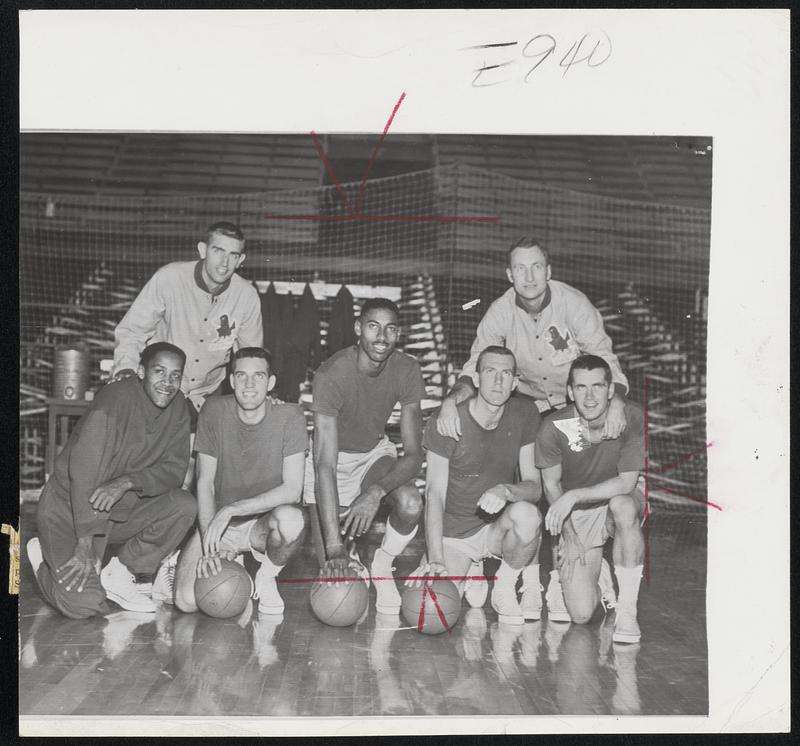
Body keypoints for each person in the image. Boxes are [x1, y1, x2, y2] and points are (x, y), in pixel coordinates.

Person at [26, 342, 196, 619]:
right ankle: (42, 561)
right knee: (85, 605)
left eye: (175, 375)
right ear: (141, 371)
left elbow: (174, 470)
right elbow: (83, 475)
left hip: (116, 511)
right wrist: (85, 545)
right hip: (70, 511)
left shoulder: (179, 407)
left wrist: (129, 481)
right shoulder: (112, 401)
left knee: (183, 505)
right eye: (159, 372)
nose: (167, 382)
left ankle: (120, 572)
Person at [436, 236, 629, 438]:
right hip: (527, 403)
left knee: (585, 447)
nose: (529, 277)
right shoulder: (499, 312)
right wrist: (450, 401)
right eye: (520, 268)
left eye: (536, 267)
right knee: (514, 454)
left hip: (574, 403)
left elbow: (604, 358)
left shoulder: (575, 304)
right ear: (510, 275)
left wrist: (616, 403)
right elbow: (476, 364)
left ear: (549, 271)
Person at [408, 346, 543, 624]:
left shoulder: (526, 413)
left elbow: (533, 486)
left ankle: (503, 585)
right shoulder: (447, 420)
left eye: (506, 374)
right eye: (490, 372)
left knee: (528, 516)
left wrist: (506, 490)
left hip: (494, 529)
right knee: (434, 611)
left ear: (515, 382)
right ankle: (472, 567)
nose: (498, 382)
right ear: (477, 379)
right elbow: (434, 494)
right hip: (454, 534)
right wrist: (436, 559)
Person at [307, 298, 425, 615]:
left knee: (411, 503)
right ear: (359, 328)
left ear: (398, 334)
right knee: (335, 577)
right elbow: (325, 465)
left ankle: (382, 564)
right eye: (373, 326)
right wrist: (334, 549)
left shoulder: (407, 368)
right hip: (329, 462)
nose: (381, 337)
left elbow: (414, 456)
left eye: (390, 328)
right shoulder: (331, 374)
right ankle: (349, 553)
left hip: (374, 455)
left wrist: (375, 492)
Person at [173, 347, 308, 616]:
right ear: (232, 380)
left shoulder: (291, 416)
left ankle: (266, 576)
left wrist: (232, 510)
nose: (249, 385)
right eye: (241, 376)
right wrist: (213, 542)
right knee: (186, 601)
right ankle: (189, 563)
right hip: (217, 523)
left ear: (270, 383)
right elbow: (205, 483)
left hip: (259, 524)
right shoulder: (213, 411)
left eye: (258, 376)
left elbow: (293, 490)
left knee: (292, 520)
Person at [112, 221, 263, 431]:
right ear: (203, 250)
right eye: (218, 251)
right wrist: (125, 370)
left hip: (208, 395)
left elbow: (250, 357)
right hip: (162, 390)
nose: (224, 262)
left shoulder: (247, 296)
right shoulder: (169, 278)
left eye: (233, 255)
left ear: (241, 260)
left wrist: (257, 399)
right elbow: (132, 331)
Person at [536, 354, 645, 643]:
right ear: (570, 392)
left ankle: (628, 611)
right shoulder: (553, 426)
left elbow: (627, 482)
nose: (590, 396)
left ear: (611, 390)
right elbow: (551, 485)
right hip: (578, 512)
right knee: (581, 614)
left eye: (598, 386)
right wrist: (569, 534)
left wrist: (575, 495)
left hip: (616, 498)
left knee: (623, 507)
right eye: (581, 387)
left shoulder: (630, 416)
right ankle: (602, 575)